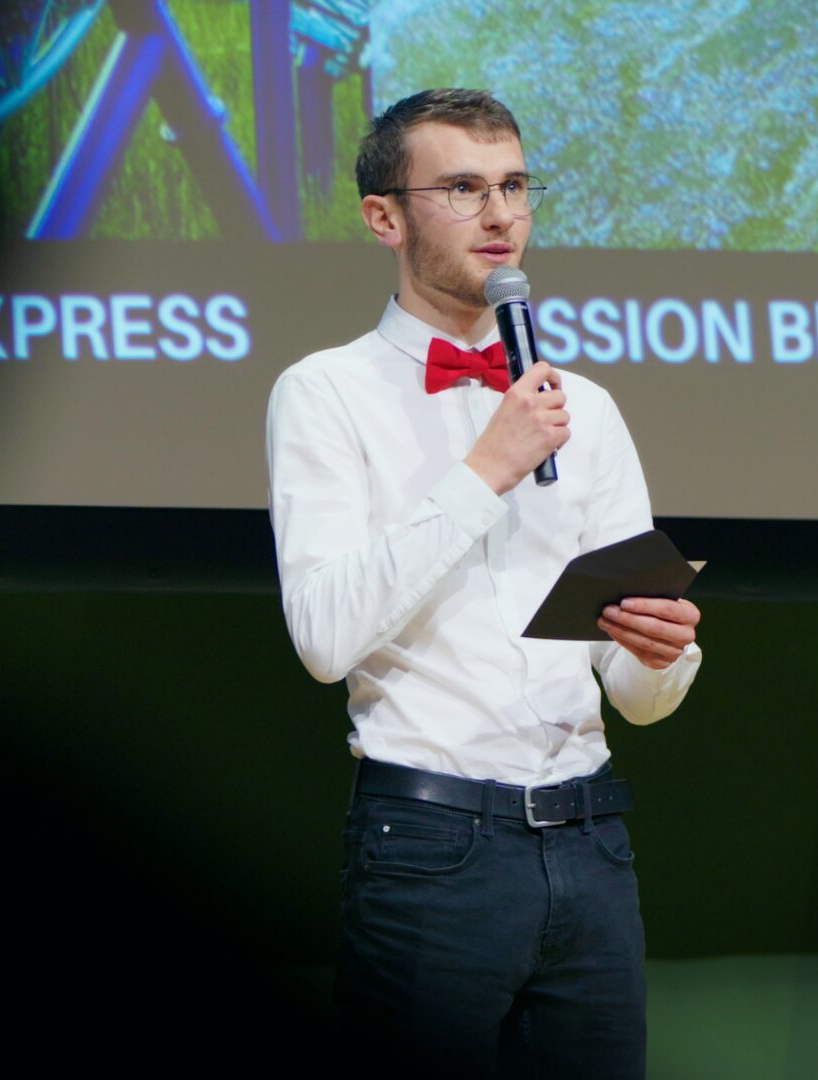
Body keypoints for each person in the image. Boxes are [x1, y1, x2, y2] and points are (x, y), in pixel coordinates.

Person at [265, 87, 703, 1077]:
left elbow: (637, 697)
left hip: (591, 840)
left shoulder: (582, 405)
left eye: (513, 185)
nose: (501, 214)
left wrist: (663, 654)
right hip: (430, 845)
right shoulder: (326, 393)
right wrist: (485, 471)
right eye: (463, 188)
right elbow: (325, 636)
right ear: (386, 217)